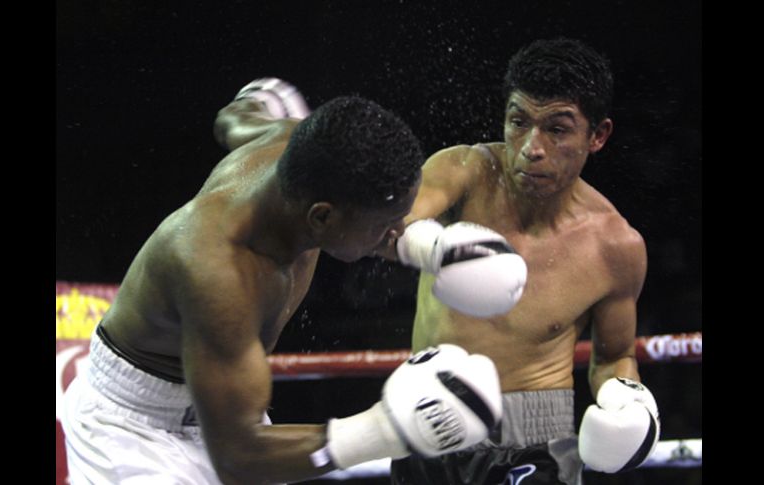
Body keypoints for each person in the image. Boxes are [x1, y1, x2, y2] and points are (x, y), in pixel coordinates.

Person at [61, 79, 528, 484]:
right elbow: (238, 457)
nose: (397, 231)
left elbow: (234, 119)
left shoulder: (296, 153)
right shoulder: (219, 270)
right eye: (387, 223)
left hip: (222, 403)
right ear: (321, 216)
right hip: (134, 431)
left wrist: (431, 247)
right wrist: (386, 432)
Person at [387, 38, 661, 485]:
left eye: (556, 129)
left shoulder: (616, 246)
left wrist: (629, 400)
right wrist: (435, 249)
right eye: (519, 122)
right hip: (431, 414)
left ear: (598, 135)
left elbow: (614, 357)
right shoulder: (465, 172)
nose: (531, 147)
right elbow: (385, 225)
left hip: (537, 435)